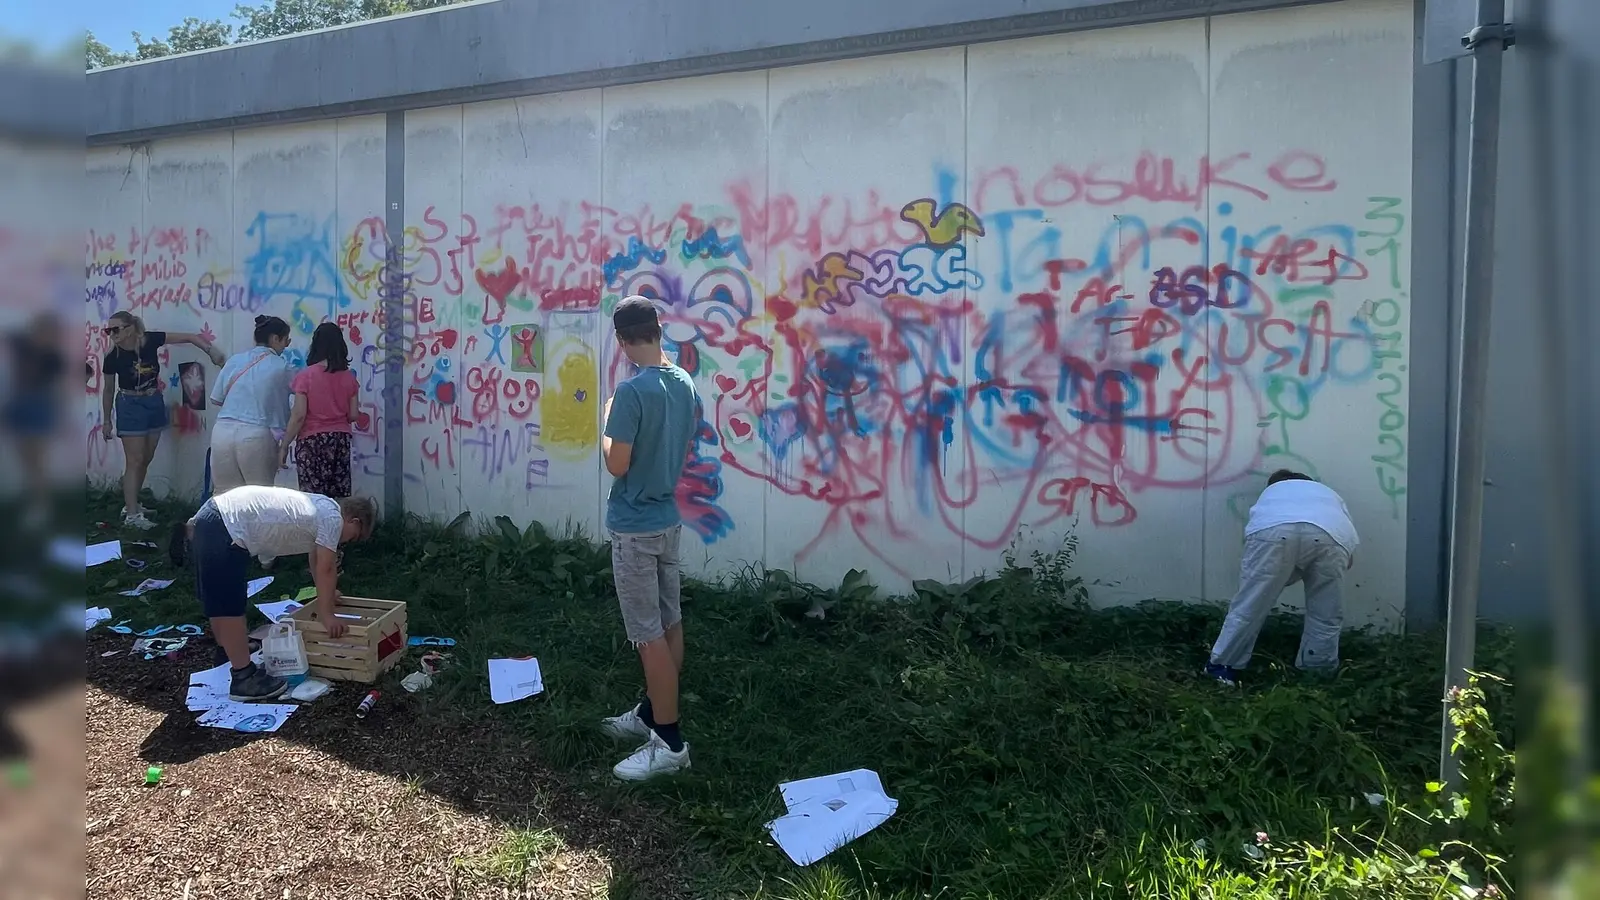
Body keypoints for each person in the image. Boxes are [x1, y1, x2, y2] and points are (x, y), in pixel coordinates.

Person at [597, 296, 701, 782]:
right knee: (669, 620)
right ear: (659, 330)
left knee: (646, 634)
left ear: (622, 341)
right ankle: (651, 713)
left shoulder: (631, 392)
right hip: (667, 518)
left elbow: (617, 463)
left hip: (634, 527)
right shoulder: (683, 382)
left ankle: (669, 741)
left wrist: (606, 422)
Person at [169, 486, 377, 701]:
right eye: (353, 537)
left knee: (218, 597)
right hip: (227, 528)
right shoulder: (333, 518)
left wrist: (328, 593)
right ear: (354, 521)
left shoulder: (321, 507)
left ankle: (227, 651)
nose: (347, 542)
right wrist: (327, 615)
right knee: (230, 606)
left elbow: (315, 561)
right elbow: (327, 567)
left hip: (212, 517)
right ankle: (244, 678)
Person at [1205, 470, 1359, 687]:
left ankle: (1223, 669)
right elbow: (1348, 558)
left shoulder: (1272, 493)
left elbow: (1270, 555)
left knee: (1249, 606)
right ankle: (1317, 672)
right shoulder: (1328, 494)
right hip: (1331, 535)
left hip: (1274, 530)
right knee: (1326, 612)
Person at [100, 311, 226, 529]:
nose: (111, 334)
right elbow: (108, 389)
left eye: (116, 329)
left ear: (130, 328)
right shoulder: (113, 356)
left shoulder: (149, 340)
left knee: (146, 457)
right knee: (135, 459)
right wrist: (106, 420)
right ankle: (131, 515)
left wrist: (211, 351)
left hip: (153, 400)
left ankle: (133, 504)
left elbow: (189, 337)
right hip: (130, 404)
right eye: (108, 330)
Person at [209, 315, 294, 494]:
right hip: (256, 435)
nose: (287, 346)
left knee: (224, 497)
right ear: (275, 339)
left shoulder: (234, 361)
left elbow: (216, 398)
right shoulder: (282, 367)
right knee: (259, 498)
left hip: (222, 432)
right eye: (286, 340)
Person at [279, 323, 359, 497]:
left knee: (312, 497)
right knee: (336, 496)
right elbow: (353, 415)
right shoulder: (349, 378)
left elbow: (299, 415)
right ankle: (336, 524)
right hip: (340, 440)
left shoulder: (305, 376)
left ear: (315, 345)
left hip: (312, 442)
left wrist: (284, 445)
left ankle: (315, 525)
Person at [4, 312, 65, 528]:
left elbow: (57, 390)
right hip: (19, 404)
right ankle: (33, 501)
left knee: (37, 461)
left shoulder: (53, 357)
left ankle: (41, 506)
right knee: (26, 460)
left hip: (38, 407)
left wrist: (59, 417)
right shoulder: (22, 344)